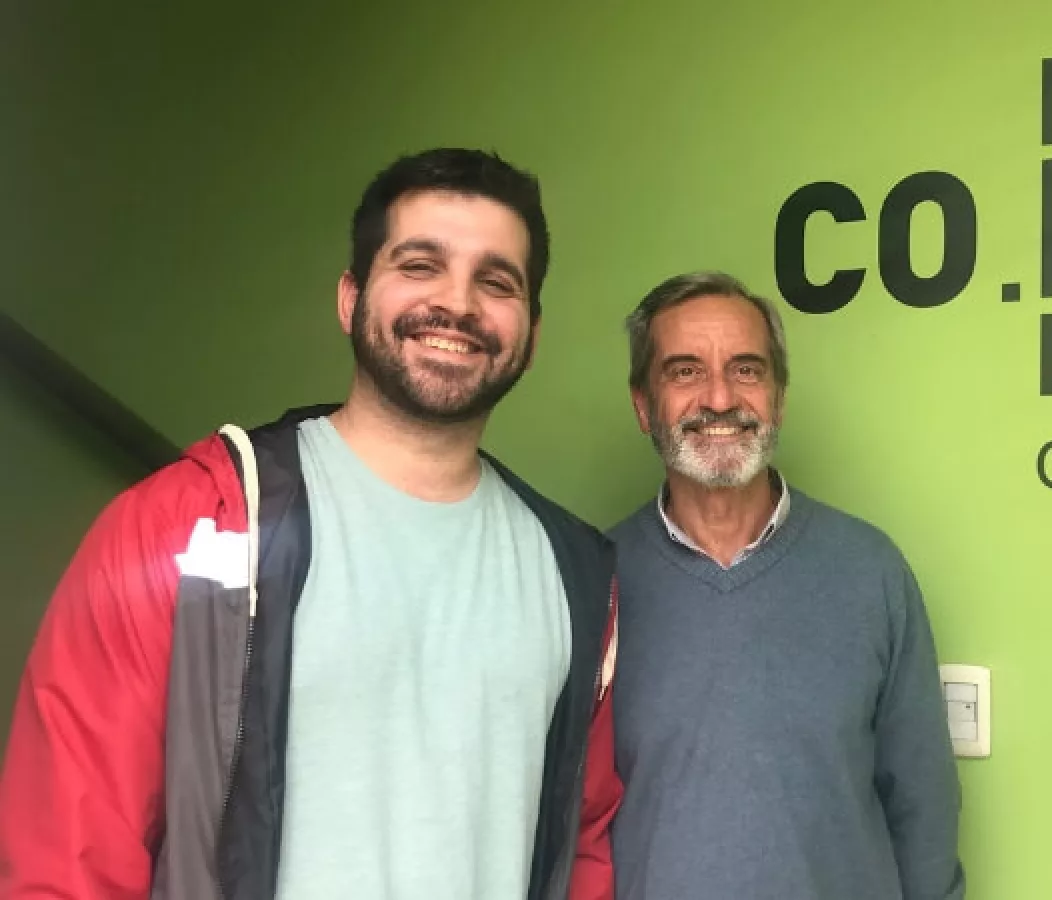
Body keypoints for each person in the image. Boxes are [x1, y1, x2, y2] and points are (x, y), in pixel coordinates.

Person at [0, 148, 621, 900]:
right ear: (350, 299)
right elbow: (71, 848)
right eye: (420, 265)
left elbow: (582, 848)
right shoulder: (190, 524)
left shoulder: (576, 576)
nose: (457, 304)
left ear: (532, 332)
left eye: (496, 282)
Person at [606, 271, 965, 899]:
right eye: (685, 372)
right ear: (643, 405)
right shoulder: (593, 584)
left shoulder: (870, 572)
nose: (721, 398)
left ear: (778, 398)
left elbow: (924, 806)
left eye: (746, 370)